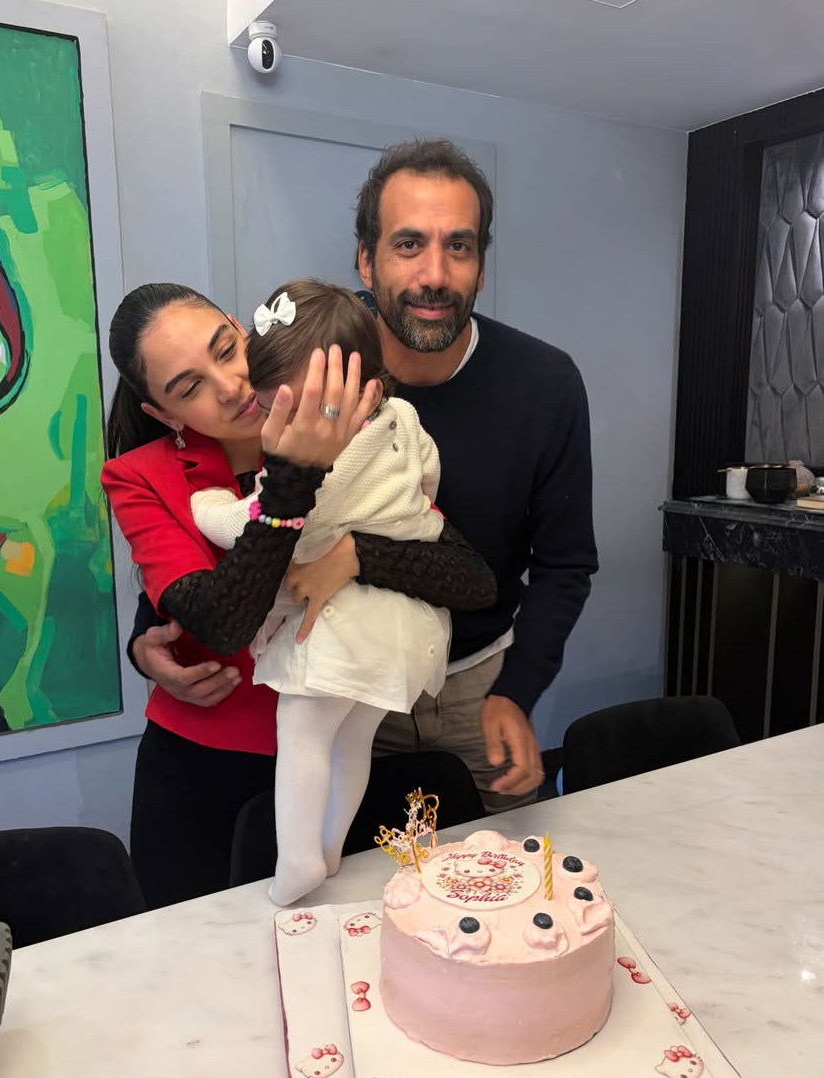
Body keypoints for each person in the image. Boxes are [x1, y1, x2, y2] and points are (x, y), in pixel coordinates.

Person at [131, 137, 598, 813]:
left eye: (459, 246)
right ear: (365, 259)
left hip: (479, 687)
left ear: (481, 265)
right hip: (339, 681)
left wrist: (517, 691)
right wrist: (148, 629)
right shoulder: (310, 347)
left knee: (497, 866)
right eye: (408, 244)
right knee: (349, 864)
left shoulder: (544, 384)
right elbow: (226, 498)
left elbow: (565, 564)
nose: (435, 273)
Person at [100, 282, 496, 909]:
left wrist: (353, 556)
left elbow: (470, 577)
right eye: (189, 387)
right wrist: (291, 481)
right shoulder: (140, 477)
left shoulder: (354, 427)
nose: (230, 385)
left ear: (244, 329)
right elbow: (221, 619)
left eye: (225, 349)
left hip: (339, 743)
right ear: (164, 414)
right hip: (204, 769)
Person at [189, 279, 464, 906]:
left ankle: (297, 859)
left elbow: (252, 524)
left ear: (357, 395)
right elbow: (429, 471)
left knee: (303, 734)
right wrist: (406, 506)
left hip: (345, 625)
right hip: (408, 625)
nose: (280, 428)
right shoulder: (401, 417)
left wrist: (208, 505)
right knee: (353, 740)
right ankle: (332, 848)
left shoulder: (326, 466)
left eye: (292, 411)